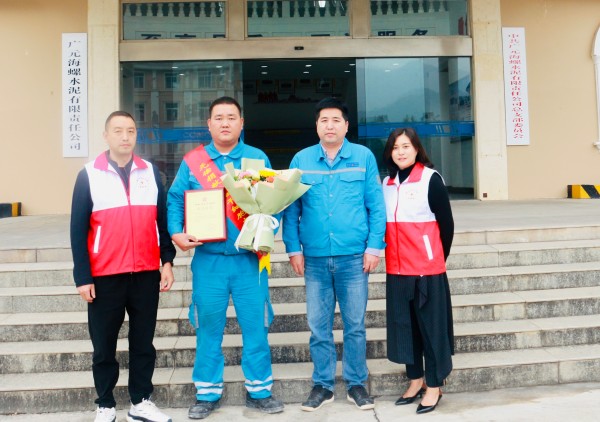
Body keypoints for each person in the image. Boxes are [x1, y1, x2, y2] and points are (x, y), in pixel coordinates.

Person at [167, 96, 284, 420]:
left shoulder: (256, 158)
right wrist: (176, 232)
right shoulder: (194, 161)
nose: (225, 123)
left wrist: (269, 226)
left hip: (249, 261)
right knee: (207, 328)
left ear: (241, 123)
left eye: (231, 117)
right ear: (209, 124)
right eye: (218, 117)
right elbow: (175, 199)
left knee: (256, 327)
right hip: (209, 261)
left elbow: (275, 202)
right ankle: (207, 393)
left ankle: (260, 391)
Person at [70, 111, 176, 422]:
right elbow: (77, 229)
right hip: (105, 275)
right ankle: (105, 404)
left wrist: (167, 261)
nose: (125, 136)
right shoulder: (89, 174)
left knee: (143, 343)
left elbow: (161, 222)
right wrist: (83, 276)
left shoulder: (150, 172)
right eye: (118, 131)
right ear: (106, 136)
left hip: (145, 273)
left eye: (130, 130)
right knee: (104, 346)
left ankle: (140, 402)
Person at [282, 97, 386, 411]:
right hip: (314, 258)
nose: (330, 125)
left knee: (355, 325)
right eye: (324, 120)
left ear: (346, 125)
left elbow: (376, 206)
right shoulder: (301, 159)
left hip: (354, 258)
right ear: (317, 125)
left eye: (336, 120)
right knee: (318, 326)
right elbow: (291, 209)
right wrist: (292, 249)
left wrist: (374, 247)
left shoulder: (363, 157)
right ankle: (323, 385)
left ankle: (356, 383)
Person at [381, 127, 455, 415]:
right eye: (395, 147)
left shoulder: (430, 179)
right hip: (397, 269)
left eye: (405, 146)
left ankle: (434, 385)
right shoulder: (387, 183)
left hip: (427, 270)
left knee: (431, 330)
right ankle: (415, 380)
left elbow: (446, 225)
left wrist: (435, 257)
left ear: (416, 149)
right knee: (405, 328)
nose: (400, 152)